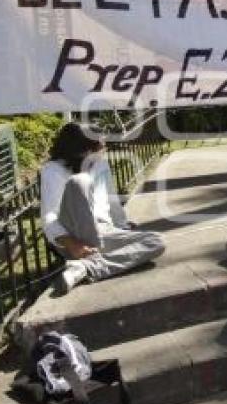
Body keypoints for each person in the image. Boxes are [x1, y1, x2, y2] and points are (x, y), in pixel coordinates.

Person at [40, 123, 165, 295]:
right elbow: (49, 217)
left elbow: (111, 200)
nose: (104, 147)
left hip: (103, 232)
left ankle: (84, 268)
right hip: (73, 236)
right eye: (100, 143)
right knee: (80, 181)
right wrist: (72, 244)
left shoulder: (100, 164)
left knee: (156, 242)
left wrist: (122, 226)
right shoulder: (53, 170)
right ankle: (89, 260)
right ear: (83, 149)